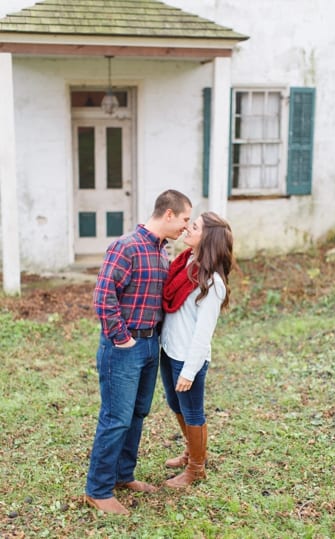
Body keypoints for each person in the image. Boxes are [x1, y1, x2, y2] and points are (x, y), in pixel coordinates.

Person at [85, 189, 192, 515]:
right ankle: (98, 489)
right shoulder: (126, 246)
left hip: (149, 346)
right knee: (116, 418)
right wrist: (122, 339)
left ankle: (122, 475)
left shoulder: (162, 253)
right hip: (124, 347)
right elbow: (104, 297)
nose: (186, 228)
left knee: (137, 414)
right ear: (169, 214)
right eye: (185, 219)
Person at [159, 211, 233, 489]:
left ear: (208, 237)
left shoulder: (212, 283)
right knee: (174, 404)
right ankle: (192, 451)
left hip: (188, 358)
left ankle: (196, 469)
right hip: (170, 349)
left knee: (192, 412)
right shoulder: (185, 263)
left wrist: (189, 370)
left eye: (195, 226)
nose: (188, 228)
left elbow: (204, 333)